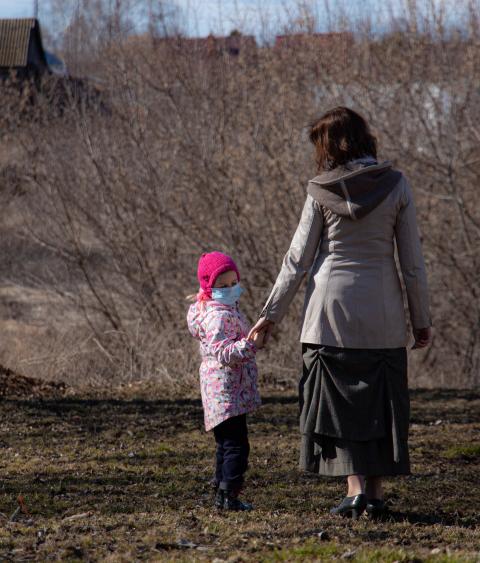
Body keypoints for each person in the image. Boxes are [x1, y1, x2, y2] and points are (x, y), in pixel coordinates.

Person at [249, 107, 432, 520]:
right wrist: (421, 319)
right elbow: (413, 264)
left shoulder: (319, 190)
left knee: (340, 404)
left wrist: (270, 315)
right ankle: (377, 495)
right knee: (381, 404)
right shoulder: (397, 185)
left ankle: (354, 493)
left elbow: (297, 260)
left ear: (329, 146)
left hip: (328, 314)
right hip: (382, 314)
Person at [187, 251, 263, 511]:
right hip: (227, 390)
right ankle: (229, 493)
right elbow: (224, 352)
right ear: (209, 287)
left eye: (234, 283)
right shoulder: (218, 315)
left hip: (225, 390)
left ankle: (221, 491)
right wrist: (250, 345)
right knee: (236, 447)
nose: (231, 289)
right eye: (223, 286)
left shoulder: (219, 309)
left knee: (225, 445)